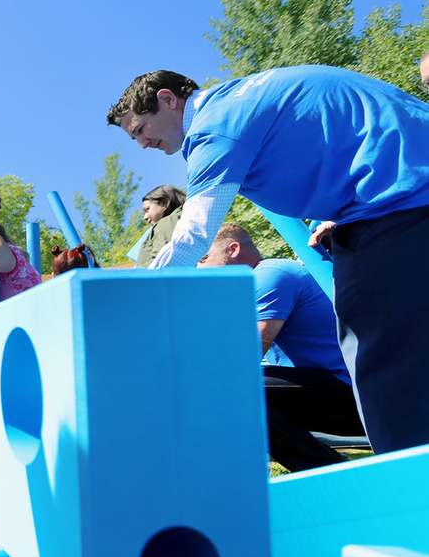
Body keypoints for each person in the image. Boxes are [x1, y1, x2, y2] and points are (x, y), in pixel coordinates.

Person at [108, 65, 429, 454]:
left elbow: (193, 236)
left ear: (167, 99)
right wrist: (339, 211)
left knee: (371, 351)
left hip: (399, 197)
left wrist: (129, 305)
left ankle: (409, 481)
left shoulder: (215, 126)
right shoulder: (239, 101)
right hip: (400, 186)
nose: (142, 143)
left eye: (140, 130)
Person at [198, 224, 364, 471]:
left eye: (203, 258)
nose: (197, 267)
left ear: (232, 249)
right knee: (222, 389)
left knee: (233, 387)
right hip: (327, 393)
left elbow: (247, 355)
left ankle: (330, 472)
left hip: (352, 394)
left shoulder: (271, 274)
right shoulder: (251, 288)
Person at [134, 184, 186, 266]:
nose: (145, 217)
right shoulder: (184, 218)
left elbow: (159, 264)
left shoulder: (165, 224)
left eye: (147, 209)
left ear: (164, 203)